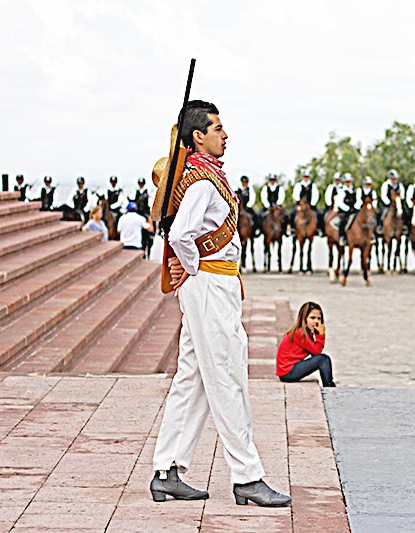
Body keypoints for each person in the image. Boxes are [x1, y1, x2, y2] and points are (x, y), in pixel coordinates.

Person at [151, 99, 290, 507]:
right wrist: (194, 267)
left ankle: (167, 470)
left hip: (212, 283)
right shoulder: (200, 182)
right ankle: (247, 476)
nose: (224, 134)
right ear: (198, 136)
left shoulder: (209, 177)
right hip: (210, 283)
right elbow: (179, 234)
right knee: (227, 376)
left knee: (192, 378)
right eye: (217, 128)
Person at [276, 302, 335, 387]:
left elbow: (314, 352)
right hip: (287, 372)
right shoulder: (300, 333)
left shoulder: (305, 333)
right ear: (304, 319)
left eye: (319, 319)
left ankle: (329, 385)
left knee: (322, 359)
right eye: (312, 318)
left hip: (287, 371)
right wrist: (321, 334)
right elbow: (317, 352)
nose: (316, 322)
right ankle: (329, 387)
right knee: (323, 359)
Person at [335, 173, 358, 246]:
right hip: (345, 211)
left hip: (354, 209)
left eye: (349, 181)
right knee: (343, 221)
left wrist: (356, 207)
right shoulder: (341, 191)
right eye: (347, 182)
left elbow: (358, 200)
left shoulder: (355, 190)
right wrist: (347, 209)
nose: (348, 183)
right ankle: (342, 237)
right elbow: (340, 202)